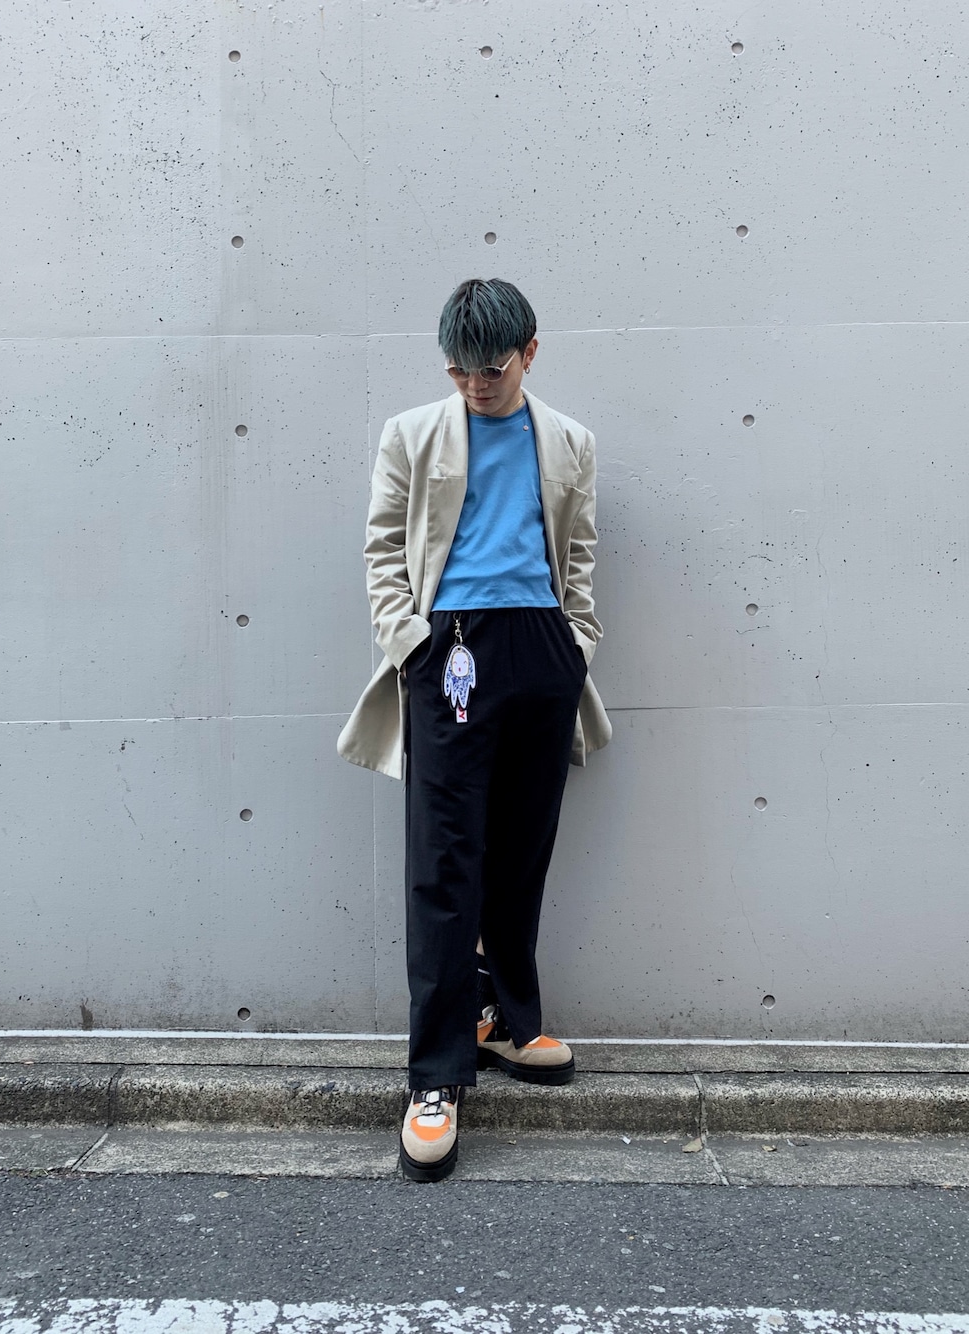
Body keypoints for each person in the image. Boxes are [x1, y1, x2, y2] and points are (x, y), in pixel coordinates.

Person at [337, 278, 611, 1181]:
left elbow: (578, 551)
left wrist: (575, 643)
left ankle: (505, 1019)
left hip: (540, 650)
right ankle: (435, 1077)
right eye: (458, 370)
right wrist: (410, 643)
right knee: (445, 859)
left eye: (490, 370)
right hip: (447, 651)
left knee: (523, 848)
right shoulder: (412, 434)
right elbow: (383, 547)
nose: (473, 385)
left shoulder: (569, 440)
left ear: (529, 353)